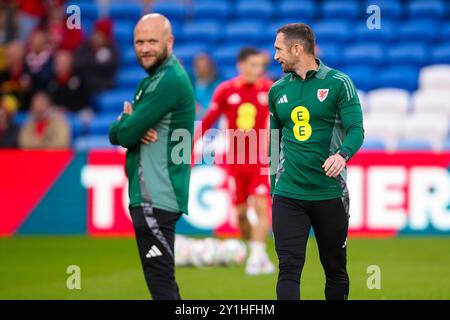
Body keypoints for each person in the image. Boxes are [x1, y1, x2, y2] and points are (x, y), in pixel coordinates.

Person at [269, 23, 364, 300]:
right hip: (288, 194)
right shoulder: (276, 91)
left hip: (329, 193)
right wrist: (272, 188)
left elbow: (356, 129)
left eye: (278, 49)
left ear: (297, 48)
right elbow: (273, 144)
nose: (275, 56)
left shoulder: (338, 83)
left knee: (335, 269)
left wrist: (342, 154)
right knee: (288, 268)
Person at [108, 14, 195, 300]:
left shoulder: (167, 79)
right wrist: (126, 124)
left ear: (169, 42)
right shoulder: (155, 79)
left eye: (152, 41)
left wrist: (127, 125)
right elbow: (122, 130)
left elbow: (125, 134)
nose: (144, 48)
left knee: (160, 282)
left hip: (155, 193)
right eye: (139, 42)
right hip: (154, 194)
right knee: (162, 281)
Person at [193, 47, 275, 276]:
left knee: (261, 206)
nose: (258, 70)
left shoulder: (269, 89)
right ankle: (259, 254)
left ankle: (255, 258)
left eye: (260, 66)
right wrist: (191, 145)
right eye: (253, 65)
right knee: (240, 214)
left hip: (259, 158)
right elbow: (208, 120)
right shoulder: (225, 90)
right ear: (241, 66)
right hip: (235, 160)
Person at [74, 18, 119, 94]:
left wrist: (91, 63)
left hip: (103, 85)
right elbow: (78, 63)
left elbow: (110, 65)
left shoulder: (112, 49)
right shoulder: (85, 46)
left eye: (100, 34)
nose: (96, 37)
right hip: (84, 87)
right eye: (95, 33)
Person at [191, 53, 220, 119]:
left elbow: (214, 112)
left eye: (205, 66)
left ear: (211, 66)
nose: (202, 70)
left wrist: (199, 109)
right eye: (198, 66)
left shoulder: (219, 86)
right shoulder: (190, 82)